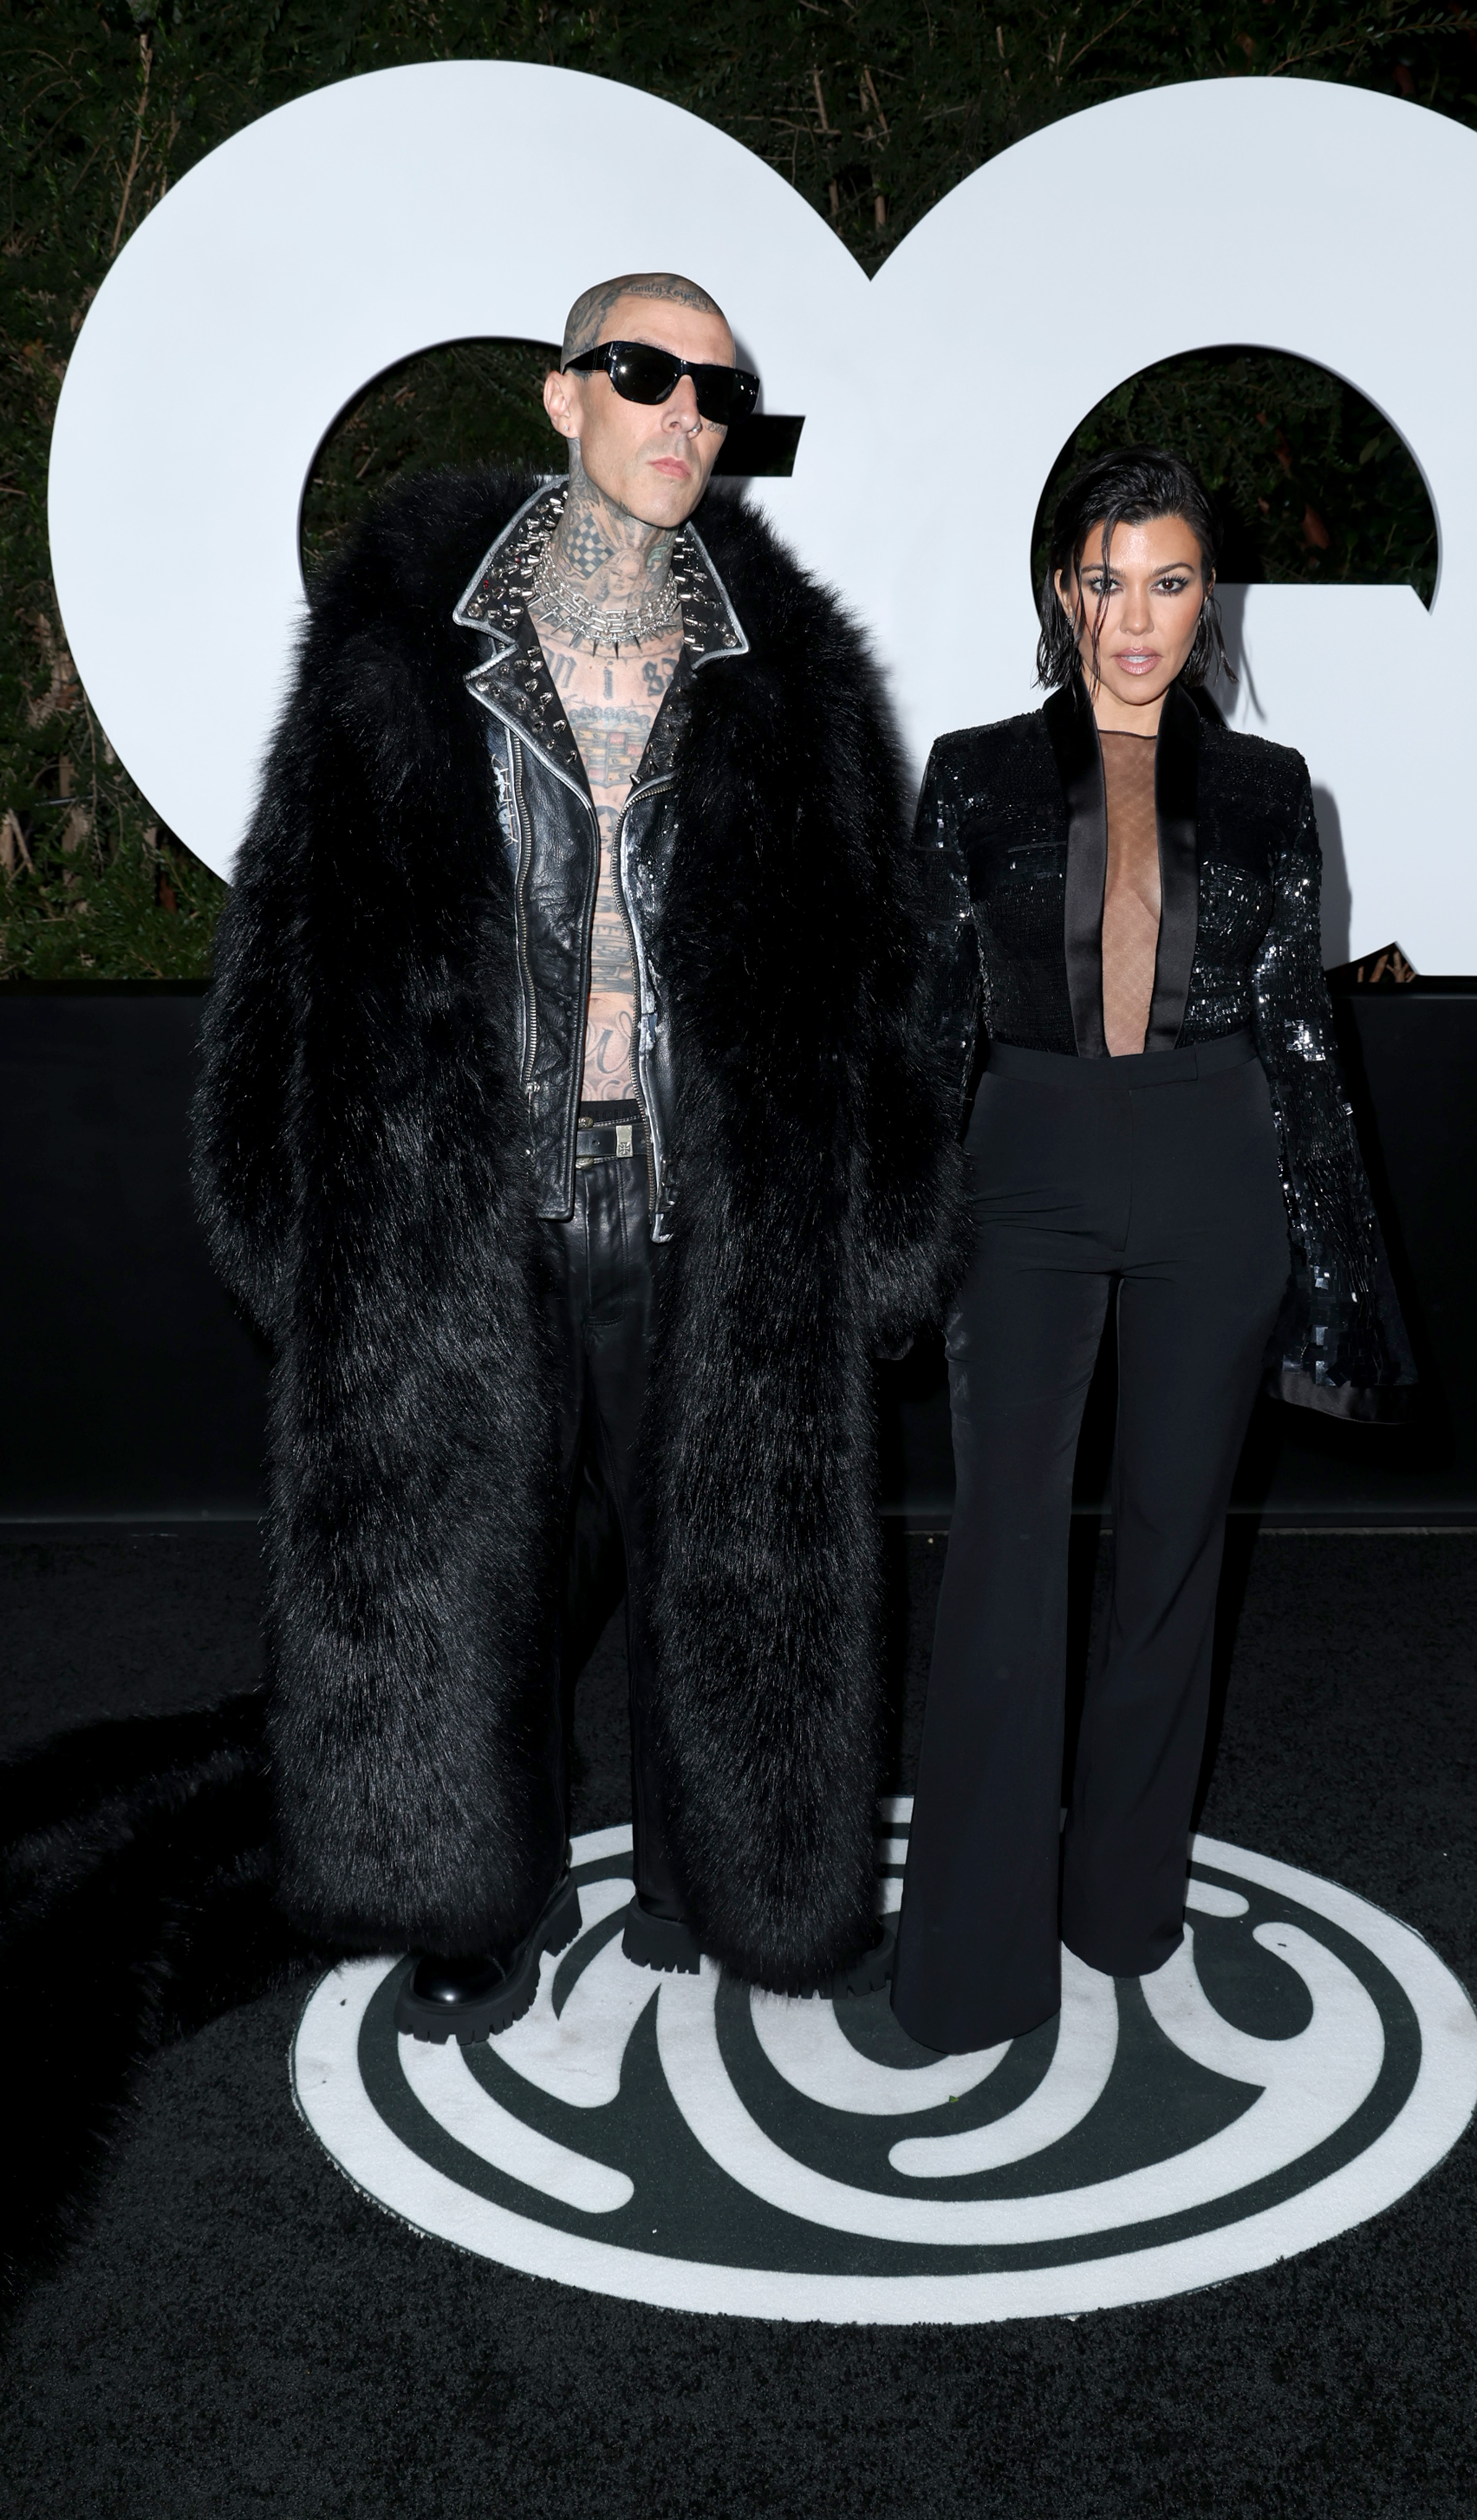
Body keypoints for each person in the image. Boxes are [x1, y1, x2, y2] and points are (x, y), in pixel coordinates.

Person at [193, 270, 958, 2043]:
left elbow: (884, 969)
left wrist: (887, 1226)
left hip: (706, 1204)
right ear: (563, 394)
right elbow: (286, 931)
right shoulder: (403, 643)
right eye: (644, 371)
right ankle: (474, 1887)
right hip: (466, 1200)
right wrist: (277, 1213)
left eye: (717, 391)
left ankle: (721, 1885)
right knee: (483, 1573)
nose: (684, 412)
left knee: (726, 1562)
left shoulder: (792, 674)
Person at [892, 446, 1415, 2055]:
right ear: (1065, 591)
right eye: (1106, 581)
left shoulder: (1270, 786)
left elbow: (1301, 1039)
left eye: (1169, 582)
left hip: (1213, 1169)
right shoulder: (972, 774)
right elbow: (924, 1030)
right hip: (1026, 1165)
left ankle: (1122, 1903)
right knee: (1003, 1553)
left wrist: (1335, 1278)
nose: (1135, 618)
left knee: (1174, 1552)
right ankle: (970, 1960)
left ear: (1206, 601)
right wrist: (879, 1243)